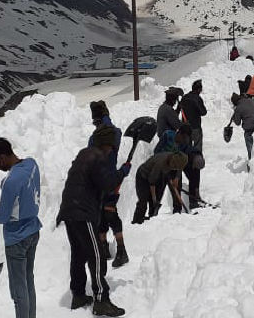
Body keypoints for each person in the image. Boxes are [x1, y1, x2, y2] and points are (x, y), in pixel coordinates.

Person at [57, 125, 131, 317]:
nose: (112, 150)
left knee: (78, 254)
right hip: (82, 212)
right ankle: (101, 299)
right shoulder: (98, 157)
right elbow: (107, 184)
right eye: (112, 147)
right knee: (96, 255)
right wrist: (123, 171)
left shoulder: (84, 154)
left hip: (69, 210)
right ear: (106, 144)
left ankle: (79, 294)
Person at [0, 138, 42, 318]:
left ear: (1, 158)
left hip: (17, 239)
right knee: (28, 280)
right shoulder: (32, 165)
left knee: (18, 290)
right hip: (33, 231)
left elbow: (2, 217)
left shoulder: (10, 181)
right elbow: (22, 197)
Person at [88, 101, 128, 269]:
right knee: (104, 214)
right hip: (110, 178)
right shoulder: (115, 132)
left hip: (105, 180)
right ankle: (105, 248)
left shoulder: (98, 136)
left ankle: (122, 250)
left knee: (109, 213)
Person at [154, 125, 202, 210]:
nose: (185, 140)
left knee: (192, 172)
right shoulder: (167, 135)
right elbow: (156, 151)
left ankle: (192, 202)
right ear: (179, 133)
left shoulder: (184, 142)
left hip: (176, 164)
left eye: (187, 138)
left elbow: (184, 158)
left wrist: (197, 155)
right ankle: (154, 211)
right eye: (184, 137)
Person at [131, 151, 188, 224]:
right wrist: (154, 199)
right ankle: (137, 222)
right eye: (174, 167)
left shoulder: (178, 158)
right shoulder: (160, 164)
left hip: (159, 175)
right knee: (143, 201)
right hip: (143, 177)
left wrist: (176, 178)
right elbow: (152, 183)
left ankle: (151, 219)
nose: (175, 169)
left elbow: (180, 167)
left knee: (156, 202)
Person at [229, 93, 254, 172]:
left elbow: (238, 123)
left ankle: (252, 168)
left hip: (248, 130)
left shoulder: (238, 108)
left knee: (250, 150)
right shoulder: (250, 100)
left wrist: (235, 115)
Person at [180, 80, 207, 152]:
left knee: (186, 149)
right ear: (199, 89)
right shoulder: (197, 99)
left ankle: (187, 162)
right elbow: (203, 112)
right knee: (197, 149)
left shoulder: (184, 97)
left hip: (185, 127)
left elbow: (180, 108)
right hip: (195, 127)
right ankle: (196, 161)